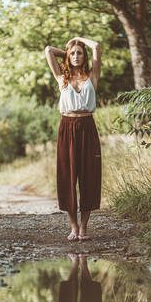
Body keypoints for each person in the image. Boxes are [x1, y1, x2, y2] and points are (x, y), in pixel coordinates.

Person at [45, 37, 102, 241]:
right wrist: (68, 49)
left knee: (89, 175)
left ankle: (84, 228)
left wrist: (79, 41)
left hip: (88, 127)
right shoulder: (62, 78)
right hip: (67, 128)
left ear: (84, 56)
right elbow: (49, 50)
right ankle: (73, 227)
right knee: (67, 176)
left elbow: (95, 46)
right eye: (73, 54)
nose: (76, 57)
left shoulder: (92, 76)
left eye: (79, 53)